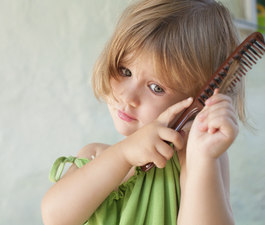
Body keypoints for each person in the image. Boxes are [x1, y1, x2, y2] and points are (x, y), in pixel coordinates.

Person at [41, 0, 246, 224]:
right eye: (125, 70)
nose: (128, 97)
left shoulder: (195, 158)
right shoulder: (94, 156)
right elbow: (54, 217)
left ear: (198, 101)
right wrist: (123, 155)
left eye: (156, 88)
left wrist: (203, 158)